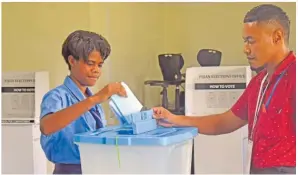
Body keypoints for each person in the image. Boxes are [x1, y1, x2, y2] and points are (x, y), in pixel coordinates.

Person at [153, 4, 295, 174]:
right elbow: (223, 122)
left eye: (251, 41)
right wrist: (175, 119)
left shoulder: (294, 76)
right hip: (257, 168)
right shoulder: (259, 82)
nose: (246, 49)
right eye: (245, 41)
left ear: (277, 37)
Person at [39, 30, 127, 174]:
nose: (96, 70)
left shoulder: (91, 100)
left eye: (100, 65)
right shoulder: (56, 96)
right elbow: (47, 126)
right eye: (91, 63)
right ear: (72, 61)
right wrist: (96, 98)